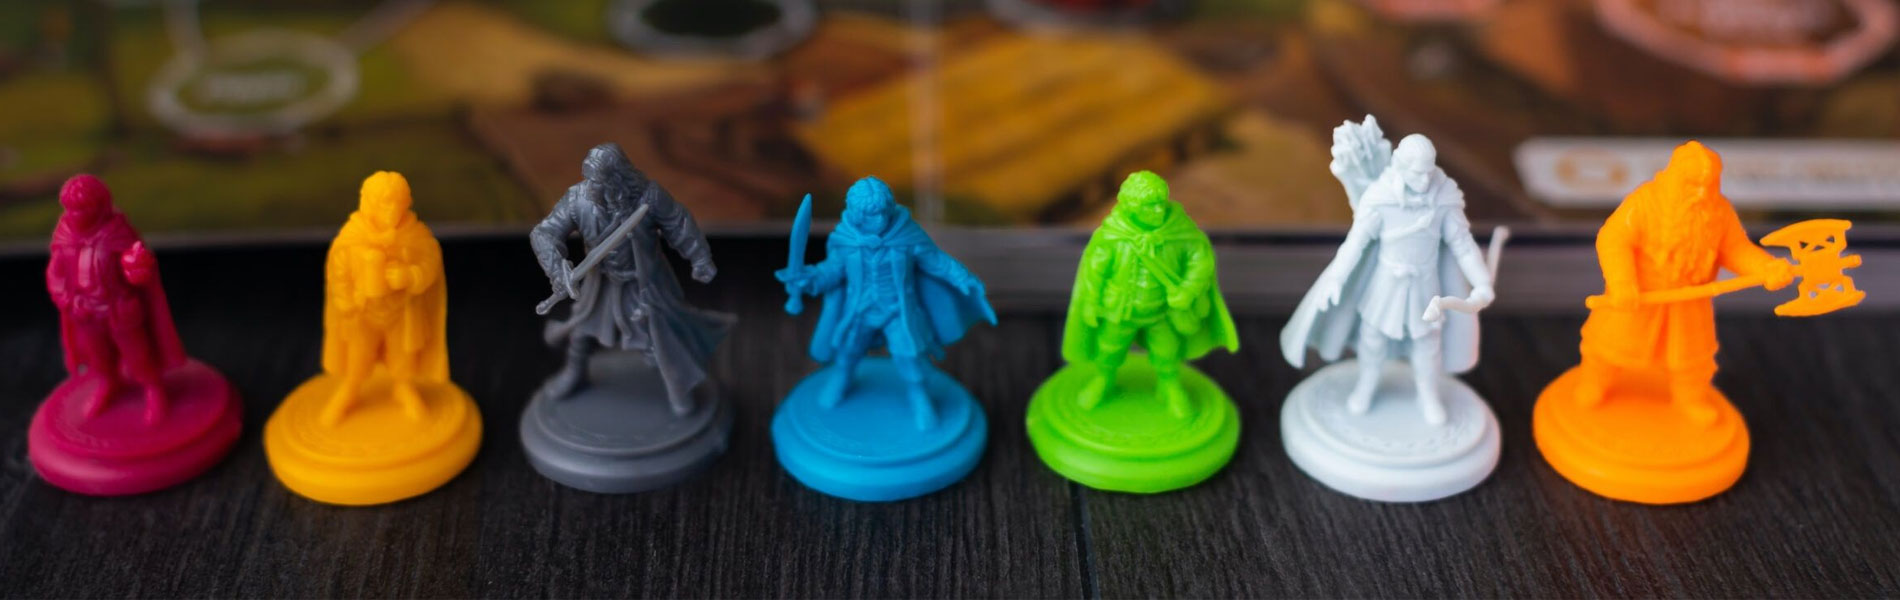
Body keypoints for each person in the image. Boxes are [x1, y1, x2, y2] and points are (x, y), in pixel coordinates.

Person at [1283, 129, 1495, 425]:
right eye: (1417, 173)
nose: (1425, 180)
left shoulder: (1443, 196)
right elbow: (1356, 242)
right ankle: (1366, 386)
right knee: (1373, 338)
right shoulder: (1381, 197)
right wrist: (1336, 278)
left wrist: (1481, 281)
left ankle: (1427, 394)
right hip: (1386, 282)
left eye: (1428, 171)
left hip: (1425, 284)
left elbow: (1462, 244)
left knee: (1427, 343)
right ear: (1400, 165)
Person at [1574, 141, 1793, 425]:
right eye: (1693, 185)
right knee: (1610, 345)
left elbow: (1736, 248)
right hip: (1642, 295)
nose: (1701, 193)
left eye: (1708, 186)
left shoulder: (1718, 211)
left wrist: (1765, 267)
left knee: (1692, 358)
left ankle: (1690, 399)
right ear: (1676, 178)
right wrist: (1622, 282)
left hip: (1690, 299)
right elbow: (1614, 239)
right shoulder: (1646, 202)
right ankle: (1594, 383)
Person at [777, 176, 995, 430]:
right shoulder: (845, 240)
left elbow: (936, 261)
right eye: (872, 215)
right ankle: (842, 377)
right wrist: (809, 279)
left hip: (898, 311)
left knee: (910, 354)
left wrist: (961, 277)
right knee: (848, 348)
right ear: (857, 214)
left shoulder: (907, 235)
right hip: (859, 310)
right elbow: (831, 272)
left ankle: (919, 396)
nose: (880, 220)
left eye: (883, 212)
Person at [531, 143, 732, 415]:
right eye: (588, 179)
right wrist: (558, 270)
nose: (591, 187)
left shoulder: (649, 196)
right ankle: (574, 372)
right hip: (602, 284)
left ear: (616, 178)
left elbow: (679, 224)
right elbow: (544, 233)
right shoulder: (577, 199)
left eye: (597, 181)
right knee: (582, 330)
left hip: (645, 283)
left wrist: (700, 258)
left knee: (659, 339)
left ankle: (677, 386)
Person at [1063, 171, 1237, 418]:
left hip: (1163, 312)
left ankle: (1169, 386)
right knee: (1109, 349)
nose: (1158, 211)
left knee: (1167, 352)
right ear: (1133, 208)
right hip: (1120, 310)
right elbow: (1095, 271)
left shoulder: (1179, 231)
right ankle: (1103, 380)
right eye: (1149, 207)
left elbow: (1200, 261)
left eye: (1160, 204)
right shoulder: (1113, 237)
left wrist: (1188, 290)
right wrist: (1091, 302)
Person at [46, 174, 186, 422]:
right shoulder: (65, 235)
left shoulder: (117, 233)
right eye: (71, 208)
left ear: (100, 206)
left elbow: (137, 272)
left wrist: (137, 268)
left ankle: (153, 389)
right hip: (86, 312)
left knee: (138, 355)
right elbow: (56, 274)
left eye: (83, 208)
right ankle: (108, 383)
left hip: (119, 309)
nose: (76, 214)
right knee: (98, 357)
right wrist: (69, 300)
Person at [320, 171, 449, 427]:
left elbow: (430, 265)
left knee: (404, 357)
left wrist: (409, 275)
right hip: (363, 312)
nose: (392, 211)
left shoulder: (415, 235)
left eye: (398, 204)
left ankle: (403, 388)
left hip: (402, 312)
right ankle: (349, 391)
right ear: (369, 204)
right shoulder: (353, 237)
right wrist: (350, 299)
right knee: (358, 358)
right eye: (384, 204)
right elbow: (338, 273)